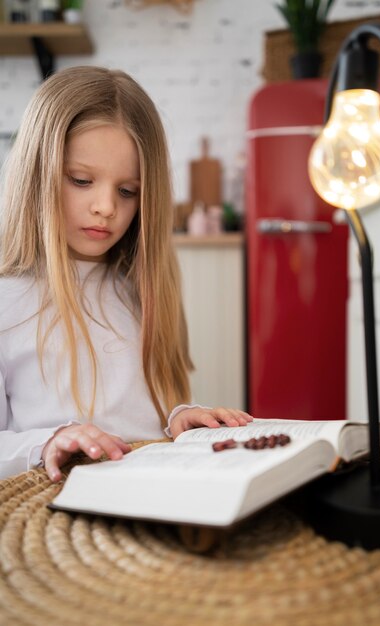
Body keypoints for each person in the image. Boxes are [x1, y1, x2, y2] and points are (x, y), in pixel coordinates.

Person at [0, 66, 252, 483]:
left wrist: (179, 417)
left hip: (149, 491)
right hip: (50, 502)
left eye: (127, 191)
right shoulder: (8, 301)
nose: (105, 207)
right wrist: (48, 442)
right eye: (81, 180)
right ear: (36, 177)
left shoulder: (140, 288)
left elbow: (141, 416)